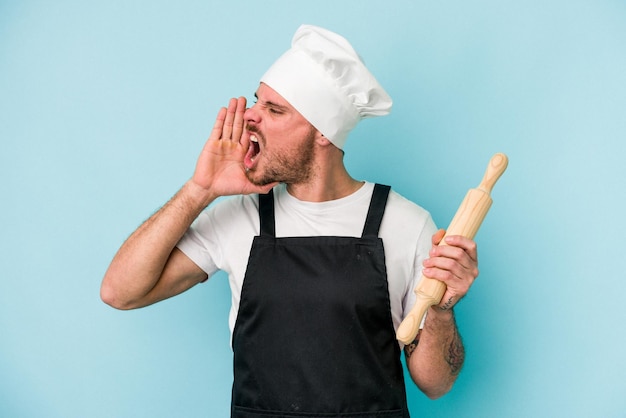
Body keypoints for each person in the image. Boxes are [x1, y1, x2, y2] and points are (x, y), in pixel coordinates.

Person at [101, 24, 479, 418]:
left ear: (323, 134)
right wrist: (201, 189)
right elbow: (120, 292)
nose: (249, 117)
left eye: (273, 110)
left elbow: (436, 384)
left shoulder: (406, 223)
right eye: (256, 101)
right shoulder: (239, 217)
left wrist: (441, 309)